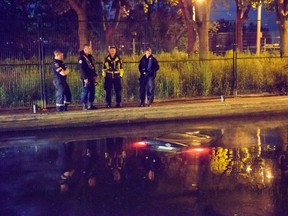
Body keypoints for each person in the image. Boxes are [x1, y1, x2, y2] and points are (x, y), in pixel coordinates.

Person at [78, 44, 98, 110]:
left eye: (90, 49)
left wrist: (95, 75)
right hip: (86, 77)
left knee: (92, 90)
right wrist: (85, 78)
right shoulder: (81, 58)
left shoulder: (90, 56)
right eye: (88, 49)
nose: (89, 50)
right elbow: (82, 69)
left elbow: (93, 66)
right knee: (85, 91)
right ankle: (84, 105)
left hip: (91, 76)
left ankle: (91, 104)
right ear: (85, 49)